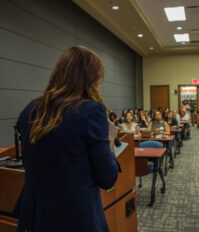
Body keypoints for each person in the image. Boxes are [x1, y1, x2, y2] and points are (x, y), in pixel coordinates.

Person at [15, 46, 120, 232]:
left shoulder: (29, 110)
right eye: (98, 79)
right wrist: (110, 138)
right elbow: (107, 178)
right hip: (76, 219)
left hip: (35, 219)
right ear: (91, 79)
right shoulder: (90, 111)